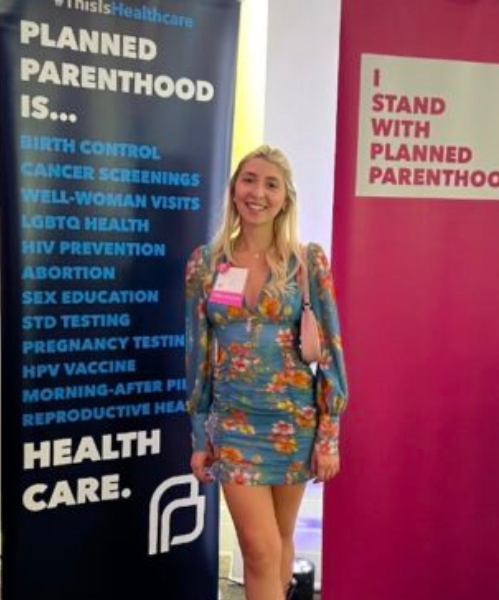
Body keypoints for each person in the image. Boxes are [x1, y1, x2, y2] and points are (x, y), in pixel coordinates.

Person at [184, 146, 348, 600]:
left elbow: (331, 350)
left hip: (294, 422)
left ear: (285, 198)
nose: (258, 192)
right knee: (258, 549)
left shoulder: (307, 262)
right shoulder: (205, 264)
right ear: (235, 189)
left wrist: (328, 434)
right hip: (234, 423)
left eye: (270, 184)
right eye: (249, 180)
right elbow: (197, 350)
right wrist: (200, 434)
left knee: (278, 540)